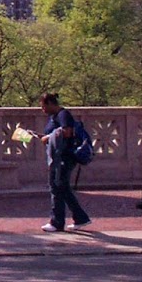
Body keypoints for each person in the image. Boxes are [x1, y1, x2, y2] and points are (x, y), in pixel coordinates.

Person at [38, 91, 91, 233]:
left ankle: (57, 222)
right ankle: (80, 218)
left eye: (43, 107)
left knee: (56, 187)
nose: (43, 110)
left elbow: (67, 132)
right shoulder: (54, 117)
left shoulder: (63, 114)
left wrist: (48, 138)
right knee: (62, 188)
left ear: (50, 103)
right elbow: (56, 134)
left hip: (64, 157)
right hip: (57, 156)